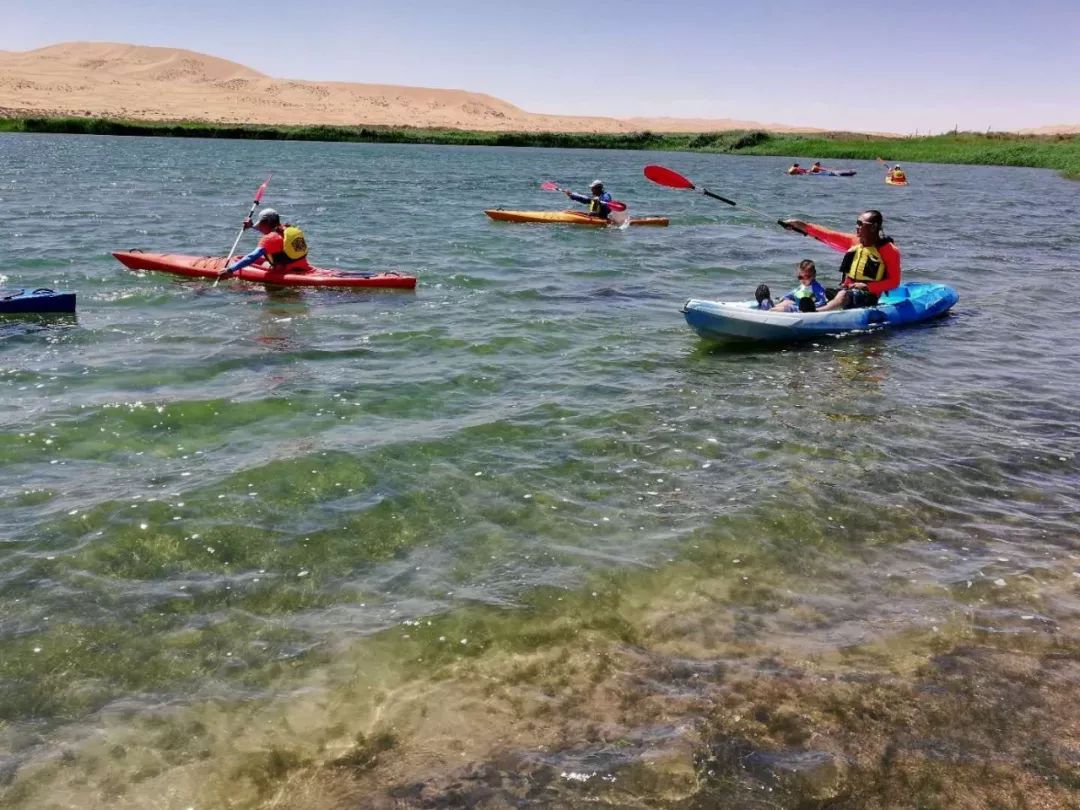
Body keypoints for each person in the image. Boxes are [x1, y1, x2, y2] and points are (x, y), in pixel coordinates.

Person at [779, 210, 900, 311]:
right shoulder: (855, 242)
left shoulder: (889, 250)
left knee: (843, 296)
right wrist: (800, 225)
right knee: (822, 293)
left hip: (868, 296)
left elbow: (894, 282)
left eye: (860, 223)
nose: (857, 226)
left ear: (873, 227)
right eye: (857, 223)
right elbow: (827, 234)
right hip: (847, 289)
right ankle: (777, 305)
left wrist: (867, 287)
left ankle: (814, 312)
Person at [218, 208, 312, 276]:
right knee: (264, 263)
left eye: (261, 224)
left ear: (265, 223)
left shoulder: (269, 239)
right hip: (303, 267)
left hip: (284, 272)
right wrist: (251, 226)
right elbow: (269, 232)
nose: (260, 228)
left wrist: (230, 270)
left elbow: (252, 257)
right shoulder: (287, 229)